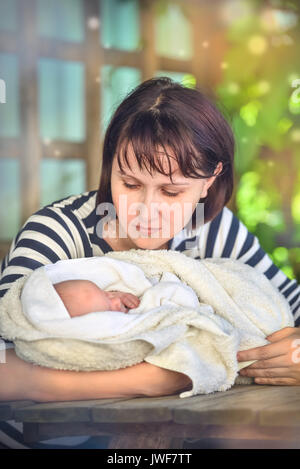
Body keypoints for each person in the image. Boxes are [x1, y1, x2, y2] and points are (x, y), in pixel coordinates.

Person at [0, 76, 299, 449]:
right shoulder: (58, 233)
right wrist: (158, 378)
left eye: (171, 191)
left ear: (209, 180)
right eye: (129, 184)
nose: (146, 210)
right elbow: (4, 371)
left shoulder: (214, 230)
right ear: (110, 166)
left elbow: (290, 307)